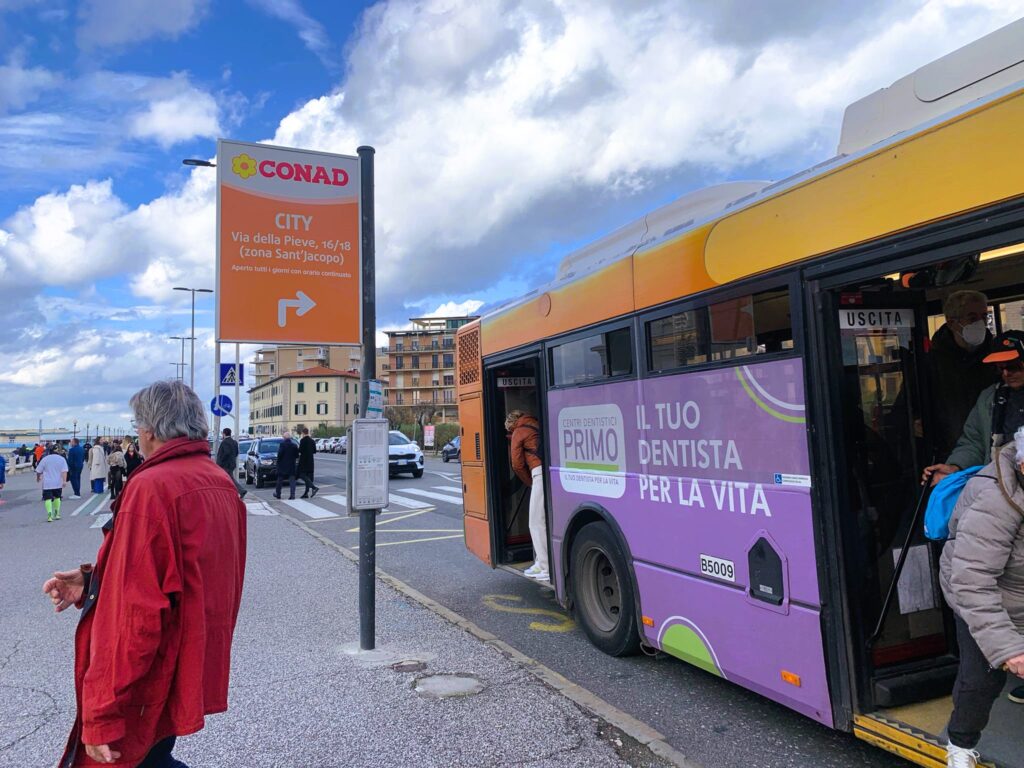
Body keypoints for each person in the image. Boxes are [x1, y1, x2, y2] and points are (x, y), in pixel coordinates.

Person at [45, 380, 247, 768]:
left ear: (150, 430)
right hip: (185, 663)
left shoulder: (153, 487)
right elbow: (184, 575)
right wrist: (93, 581)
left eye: (137, 424)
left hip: (147, 676)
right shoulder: (219, 482)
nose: (137, 432)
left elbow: (135, 614)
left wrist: (101, 711)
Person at [939, 428, 1024, 768]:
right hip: (984, 595)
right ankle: (960, 746)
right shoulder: (995, 500)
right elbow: (972, 580)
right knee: (982, 680)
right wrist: (1009, 648)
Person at [924, 330, 1024, 485]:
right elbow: (974, 442)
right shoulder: (989, 397)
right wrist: (955, 466)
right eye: (1000, 367)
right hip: (1000, 487)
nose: (1006, 373)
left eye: (1013, 366)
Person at [507, 410, 548, 581]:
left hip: (538, 472)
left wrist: (530, 481)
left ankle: (544, 566)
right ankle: (540, 561)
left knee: (535, 522)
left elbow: (516, 463)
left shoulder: (519, 431)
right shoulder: (536, 423)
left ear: (511, 423)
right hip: (550, 471)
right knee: (544, 520)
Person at [36, 446, 68, 523]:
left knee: (48, 499)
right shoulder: (61, 459)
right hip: (58, 482)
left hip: (47, 483)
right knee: (57, 497)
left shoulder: (45, 459)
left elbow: (38, 470)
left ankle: (49, 515)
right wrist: (64, 481)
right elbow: (64, 471)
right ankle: (57, 514)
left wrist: (38, 478)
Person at [215, 427, 247, 499]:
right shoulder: (234, 442)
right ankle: (232, 492)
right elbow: (236, 453)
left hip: (225, 465)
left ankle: (241, 490)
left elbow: (226, 453)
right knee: (229, 478)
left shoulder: (225, 442)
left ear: (224, 434)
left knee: (227, 479)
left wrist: (220, 461)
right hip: (232, 464)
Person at [274, 430, 299, 500]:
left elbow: (279, 455)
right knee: (292, 481)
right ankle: (292, 495)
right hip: (291, 465)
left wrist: (278, 463)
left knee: (280, 480)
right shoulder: (294, 445)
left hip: (282, 465)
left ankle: (278, 494)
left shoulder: (282, 445)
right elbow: (297, 455)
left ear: (284, 438)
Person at [297, 427, 319, 499]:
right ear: (308, 432)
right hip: (310, 461)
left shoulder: (302, 440)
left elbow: (300, 450)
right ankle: (306, 493)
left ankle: (314, 487)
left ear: (303, 433)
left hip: (304, 461)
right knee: (308, 477)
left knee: (302, 475)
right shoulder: (312, 441)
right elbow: (314, 451)